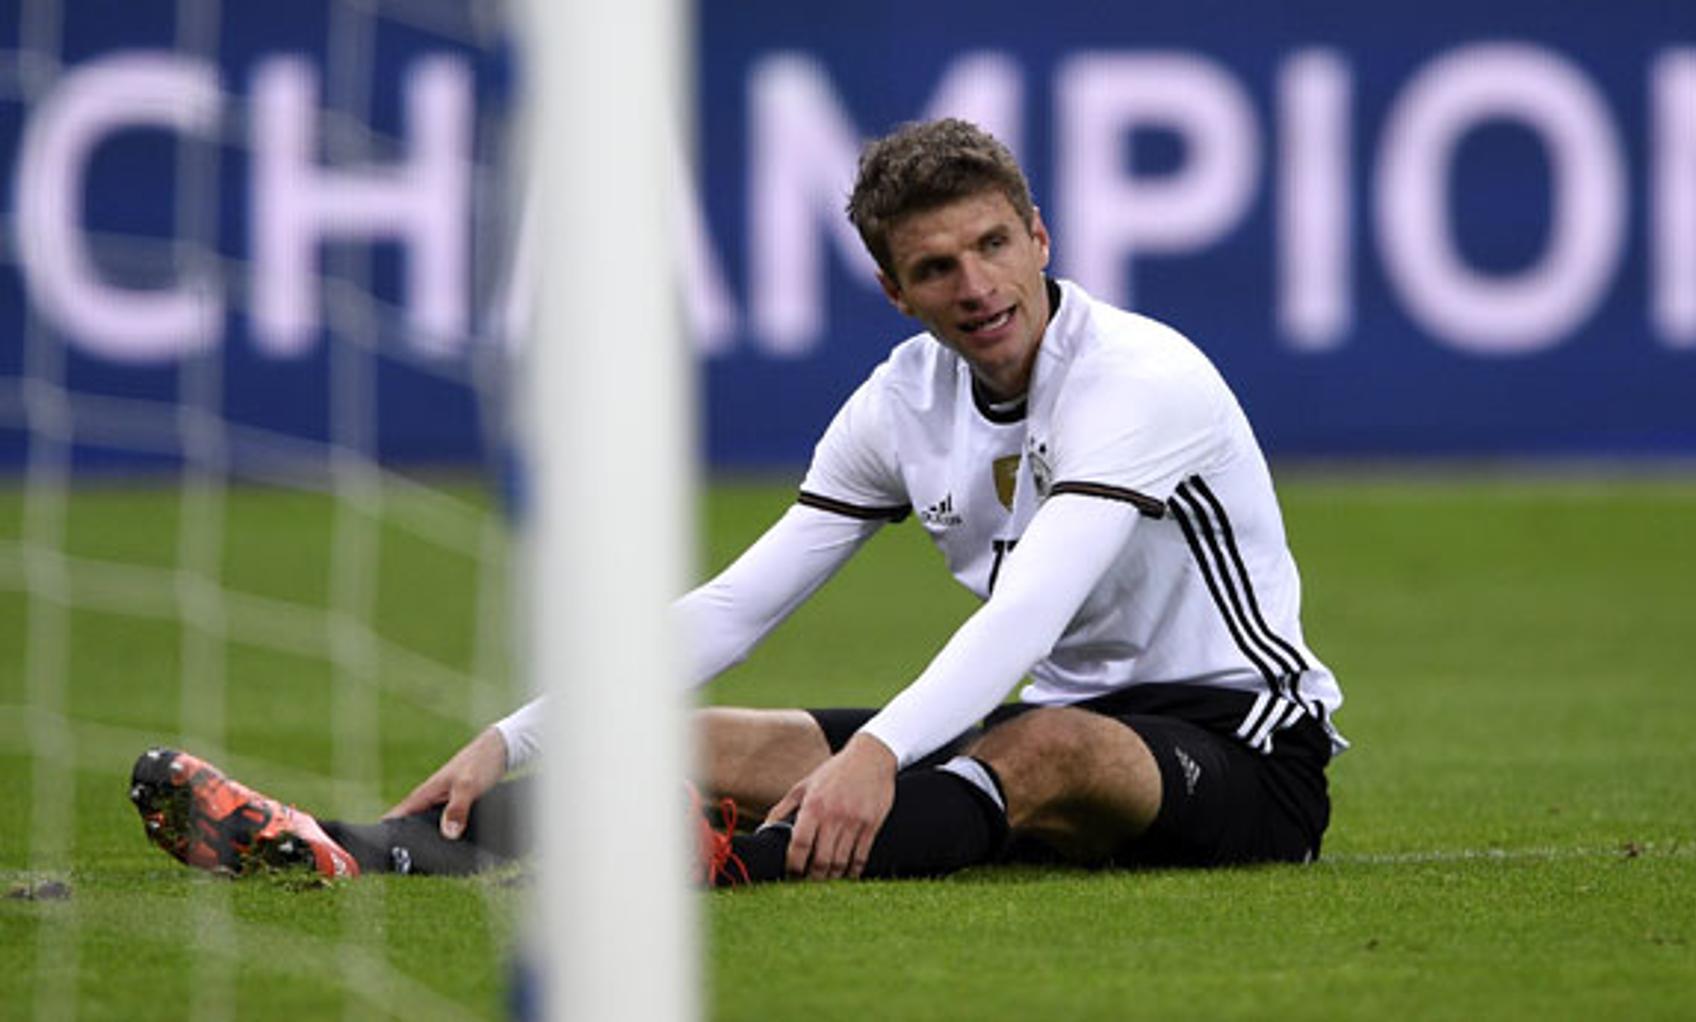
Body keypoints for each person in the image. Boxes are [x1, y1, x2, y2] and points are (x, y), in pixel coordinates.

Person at [130, 118, 1346, 886]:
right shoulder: (899, 405)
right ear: (892, 287)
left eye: (991, 245)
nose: (974, 286)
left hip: (1245, 744)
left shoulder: (1141, 377)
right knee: (677, 735)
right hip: (1069, 705)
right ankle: (350, 845)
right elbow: (733, 603)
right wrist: (519, 732)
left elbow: (1024, 617)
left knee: (1046, 743)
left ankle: (737, 868)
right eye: (935, 266)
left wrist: (874, 754)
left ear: (1040, 234)